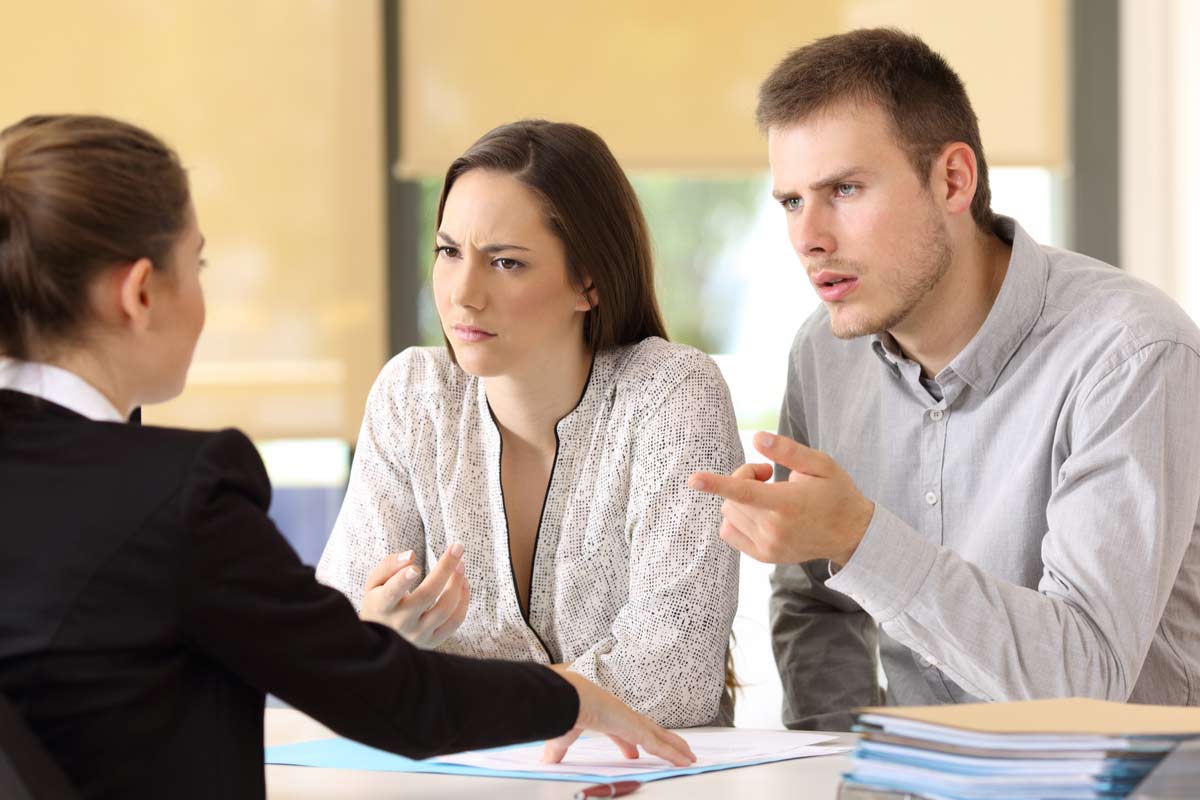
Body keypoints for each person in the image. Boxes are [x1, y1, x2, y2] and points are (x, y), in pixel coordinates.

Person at [0, 114, 694, 800]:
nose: (462, 291)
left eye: (506, 260)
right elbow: (384, 691)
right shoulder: (174, 496)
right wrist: (567, 695)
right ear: (142, 292)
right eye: (199, 264)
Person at [689, 28, 1200, 730]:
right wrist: (848, 762)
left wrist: (861, 539)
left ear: (953, 180)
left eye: (844, 188)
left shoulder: (1132, 354)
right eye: (790, 201)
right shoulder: (824, 351)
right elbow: (814, 603)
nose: (808, 237)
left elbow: (1086, 682)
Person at [316, 120, 743, 727]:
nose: (463, 293)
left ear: (587, 282)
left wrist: (425, 688)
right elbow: (330, 657)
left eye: (507, 263)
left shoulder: (671, 395)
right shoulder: (412, 397)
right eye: (448, 252)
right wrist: (377, 634)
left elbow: (675, 677)